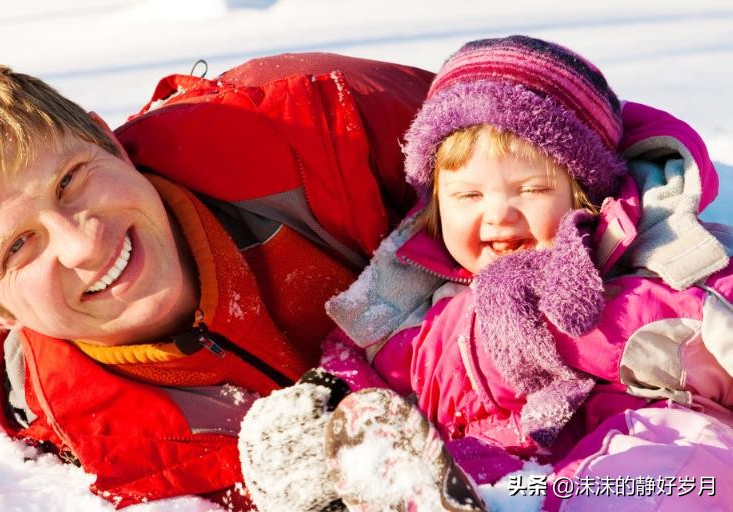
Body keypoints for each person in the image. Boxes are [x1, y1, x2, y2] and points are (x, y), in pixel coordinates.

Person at [238, 36, 733, 512]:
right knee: (456, 471)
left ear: (582, 193)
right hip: (506, 474)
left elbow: (719, 301)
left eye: (530, 190)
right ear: (435, 206)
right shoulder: (417, 302)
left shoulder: (663, 261)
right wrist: (323, 406)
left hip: (656, 442)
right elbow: (360, 366)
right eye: (469, 196)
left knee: (664, 471)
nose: (498, 215)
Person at [0, 54, 434, 509]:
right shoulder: (99, 446)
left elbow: (506, 127)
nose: (83, 244)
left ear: (112, 143)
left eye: (70, 180)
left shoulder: (310, 124)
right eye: (18, 246)